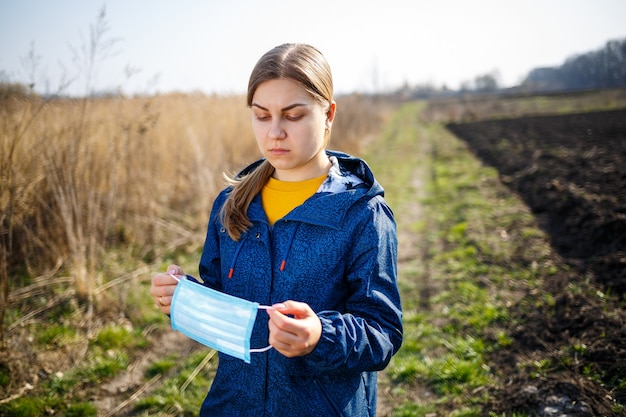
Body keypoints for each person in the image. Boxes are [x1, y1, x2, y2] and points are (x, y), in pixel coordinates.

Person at [150, 43, 402, 417]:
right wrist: (184, 297)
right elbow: (223, 303)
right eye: (261, 115)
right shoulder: (230, 204)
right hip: (232, 406)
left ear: (329, 114)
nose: (275, 132)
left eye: (293, 115)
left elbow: (381, 332)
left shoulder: (364, 215)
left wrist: (321, 336)